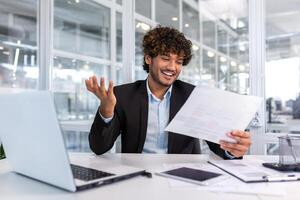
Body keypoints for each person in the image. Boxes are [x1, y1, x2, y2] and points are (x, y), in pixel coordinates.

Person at [85, 26, 251, 159]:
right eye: (165, 58)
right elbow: (99, 148)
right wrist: (106, 110)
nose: (172, 67)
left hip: (184, 177)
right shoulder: (122, 95)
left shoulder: (193, 96)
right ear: (148, 58)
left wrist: (233, 149)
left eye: (178, 61)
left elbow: (219, 146)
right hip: (137, 175)